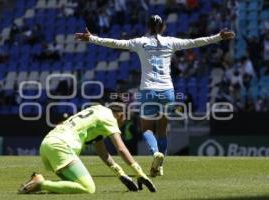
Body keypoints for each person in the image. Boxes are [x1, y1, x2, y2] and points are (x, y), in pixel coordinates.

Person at [75, 15, 235, 177]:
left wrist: (92, 38)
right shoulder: (170, 42)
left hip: (148, 90)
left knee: (146, 129)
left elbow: (115, 43)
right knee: (162, 131)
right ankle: (160, 165)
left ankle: (155, 153)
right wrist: (218, 37)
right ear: (163, 27)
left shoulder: (139, 42)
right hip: (167, 91)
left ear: (148, 26)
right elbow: (195, 42)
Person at [18, 104, 156, 194]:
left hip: (48, 143)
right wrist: (139, 173)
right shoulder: (110, 119)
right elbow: (121, 148)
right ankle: (41, 183)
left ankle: (36, 183)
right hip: (61, 145)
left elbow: (101, 150)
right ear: (120, 115)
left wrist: (120, 173)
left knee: (73, 186)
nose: (122, 123)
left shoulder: (98, 110)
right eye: (123, 119)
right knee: (88, 188)